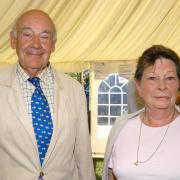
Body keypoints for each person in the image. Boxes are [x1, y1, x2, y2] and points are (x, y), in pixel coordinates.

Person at [0, 9, 95, 180]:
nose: (36, 44)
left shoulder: (75, 90)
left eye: (44, 37)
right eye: (27, 34)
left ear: (53, 45)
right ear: (13, 41)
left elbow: (84, 156)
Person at [102, 45, 180, 180]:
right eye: (152, 78)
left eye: (170, 78)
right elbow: (111, 176)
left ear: (178, 84)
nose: (162, 86)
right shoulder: (121, 127)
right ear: (138, 86)